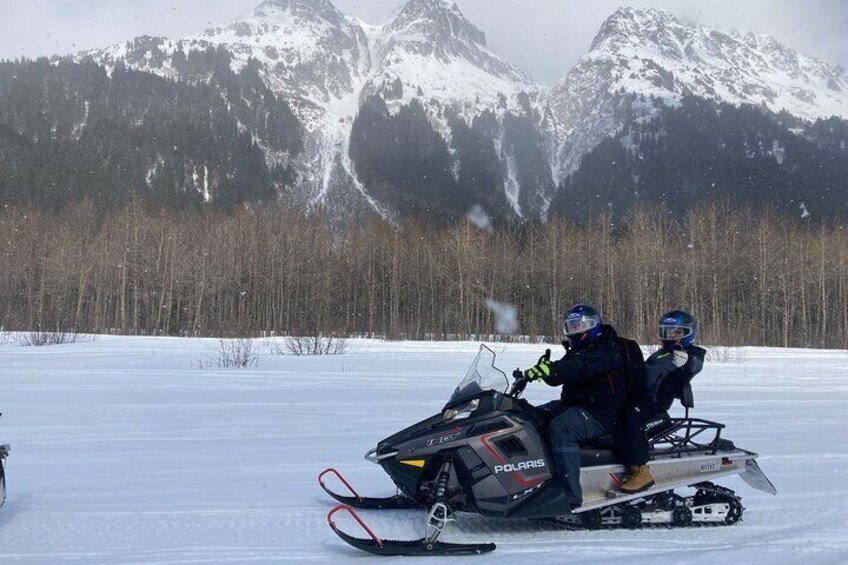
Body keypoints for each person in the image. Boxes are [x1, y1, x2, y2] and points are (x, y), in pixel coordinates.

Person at [522, 304, 628, 511]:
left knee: (561, 429)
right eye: (571, 326)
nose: (575, 331)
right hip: (578, 405)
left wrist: (552, 370)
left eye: (580, 325)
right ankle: (534, 481)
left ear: (593, 326)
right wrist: (544, 370)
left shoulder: (605, 349)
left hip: (602, 412)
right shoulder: (581, 350)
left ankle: (569, 495)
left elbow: (577, 368)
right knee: (532, 417)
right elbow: (561, 375)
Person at [615, 310, 706, 494]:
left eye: (675, 332)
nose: (670, 336)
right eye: (666, 332)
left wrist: (687, 361)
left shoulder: (691, 353)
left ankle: (640, 470)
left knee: (630, 417)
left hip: (655, 403)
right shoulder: (660, 354)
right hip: (640, 396)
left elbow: (694, 365)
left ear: (688, 333)